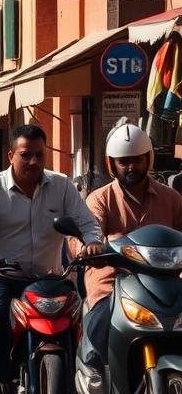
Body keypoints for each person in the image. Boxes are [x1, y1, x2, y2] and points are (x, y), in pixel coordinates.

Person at [0, 123, 104, 394]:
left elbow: (87, 222)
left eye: (39, 154)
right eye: (26, 155)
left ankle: (78, 376)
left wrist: (93, 242)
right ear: (11, 155)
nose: (33, 161)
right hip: (1, 277)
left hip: (50, 277)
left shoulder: (61, 185)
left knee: (77, 316)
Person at [76, 122, 182, 393]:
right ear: (112, 165)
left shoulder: (172, 199)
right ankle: (95, 375)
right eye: (123, 162)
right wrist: (90, 248)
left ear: (148, 159)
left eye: (136, 160)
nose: (130, 167)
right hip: (112, 285)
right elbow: (87, 232)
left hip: (166, 288)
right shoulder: (99, 199)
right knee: (99, 327)